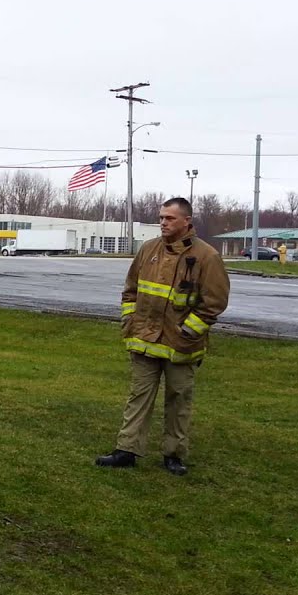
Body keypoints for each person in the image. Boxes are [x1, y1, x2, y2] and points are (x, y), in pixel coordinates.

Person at [96, 198, 230, 476]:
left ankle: (174, 455)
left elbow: (214, 302)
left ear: (187, 221)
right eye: (161, 218)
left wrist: (188, 331)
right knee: (138, 396)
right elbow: (131, 290)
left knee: (178, 400)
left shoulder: (207, 257)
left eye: (169, 218)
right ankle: (126, 450)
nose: (163, 223)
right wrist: (129, 320)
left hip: (181, 345)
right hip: (144, 339)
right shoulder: (148, 250)